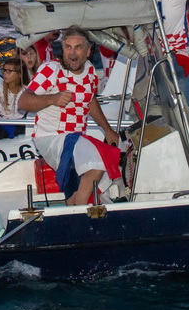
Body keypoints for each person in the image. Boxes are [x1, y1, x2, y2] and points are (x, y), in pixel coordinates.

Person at [18, 26, 121, 206]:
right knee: (98, 162)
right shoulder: (51, 69)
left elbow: (90, 101)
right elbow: (23, 102)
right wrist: (52, 99)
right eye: (68, 47)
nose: (72, 53)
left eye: (78, 47)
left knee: (80, 187)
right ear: (62, 48)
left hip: (76, 139)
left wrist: (107, 130)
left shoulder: (90, 71)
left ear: (88, 51)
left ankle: (73, 206)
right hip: (52, 137)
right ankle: (81, 213)